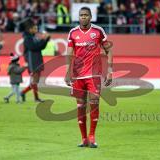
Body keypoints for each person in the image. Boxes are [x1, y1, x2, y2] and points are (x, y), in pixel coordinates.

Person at [65, 7, 113, 148]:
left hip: (94, 75)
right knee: (80, 107)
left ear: (91, 17)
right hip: (78, 76)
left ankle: (92, 137)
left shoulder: (98, 31)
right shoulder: (73, 33)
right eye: (81, 15)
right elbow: (69, 54)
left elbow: (109, 50)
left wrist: (110, 71)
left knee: (94, 105)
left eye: (86, 15)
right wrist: (67, 73)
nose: (83, 17)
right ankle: (83, 138)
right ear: (78, 17)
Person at [20, 20, 50, 102]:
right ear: (30, 29)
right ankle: (35, 97)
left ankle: (23, 93)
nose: (36, 29)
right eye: (35, 28)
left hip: (37, 60)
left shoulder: (33, 37)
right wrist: (43, 39)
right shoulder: (27, 38)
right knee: (35, 80)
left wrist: (46, 39)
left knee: (35, 80)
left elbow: (40, 47)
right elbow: (33, 47)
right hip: (32, 61)